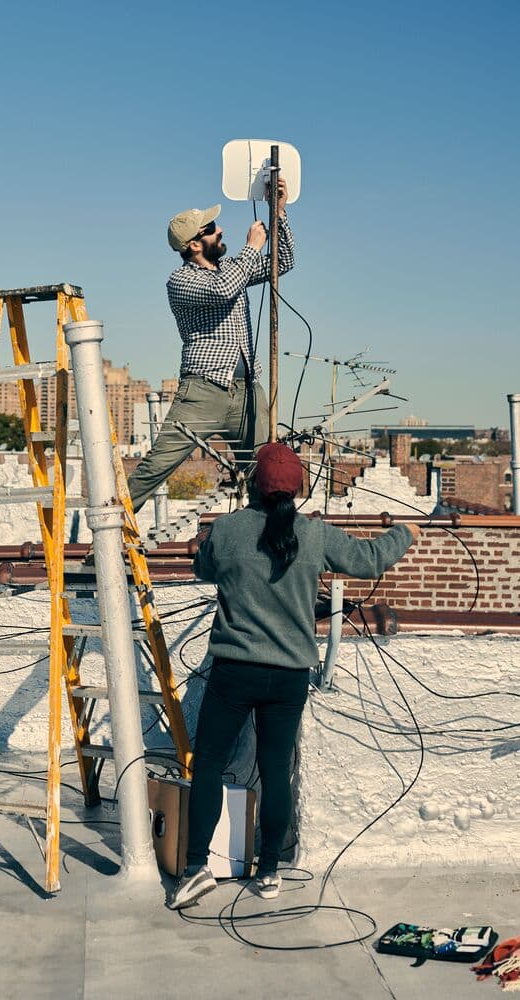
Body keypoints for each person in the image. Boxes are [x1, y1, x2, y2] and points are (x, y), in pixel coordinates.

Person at [167, 442, 420, 909]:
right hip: (287, 677)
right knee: (275, 770)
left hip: (234, 671)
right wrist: (404, 532)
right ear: (299, 488)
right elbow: (368, 560)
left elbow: (204, 567)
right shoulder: (315, 535)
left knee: (206, 764)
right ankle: (268, 873)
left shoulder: (227, 529)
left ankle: (197, 867)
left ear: (254, 487)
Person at [127, 181, 295, 512]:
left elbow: (283, 262)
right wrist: (251, 248)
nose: (220, 229)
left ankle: (267, 545)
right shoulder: (180, 280)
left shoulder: (234, 267)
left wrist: (279, 213)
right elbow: (222, 290)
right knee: (155, 468)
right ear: (192, 245)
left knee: (266, 473)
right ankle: (106, 538)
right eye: (210, 228)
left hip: (246, 389)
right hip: (203, 390)